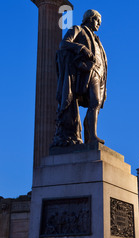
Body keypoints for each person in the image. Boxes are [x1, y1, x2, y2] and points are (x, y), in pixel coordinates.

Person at [52, 9, 108, 147]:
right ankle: (92, 136)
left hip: (99, 74)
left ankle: (91, 136)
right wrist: (81, 48)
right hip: (87, 71)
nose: (98, 24)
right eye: (97, 20)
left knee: (96, 105)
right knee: (94, 103)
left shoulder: (97, 40)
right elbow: (64, 43)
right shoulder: (78, 29)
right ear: (89, 19)